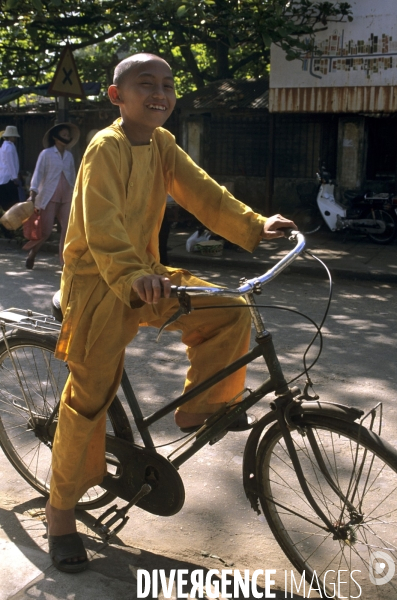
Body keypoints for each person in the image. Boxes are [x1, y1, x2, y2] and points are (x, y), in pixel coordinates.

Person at [46, 53, 296, 573]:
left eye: (167, 84)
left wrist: (255, 224)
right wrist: (131, 273)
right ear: (117, 96)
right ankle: (60, 514)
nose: (159, 92)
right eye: (145, 84)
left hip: (149, 278)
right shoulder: (103, 149)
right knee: (88, 401)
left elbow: (202, 191)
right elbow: (102, 227)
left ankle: (196, 408)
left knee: (230, 309)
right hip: (100, 287)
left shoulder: (163, 144)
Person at [25, 123, 79, 269]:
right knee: (46, 231)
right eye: (64, 135)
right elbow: (38, 174)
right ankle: (32, 254)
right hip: (49, 196)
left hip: (67, 195)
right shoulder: (46, 154)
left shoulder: (69, 156)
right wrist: (33, 193)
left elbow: (73, 177)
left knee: (68, 230)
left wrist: (76, 194)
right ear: (55, 137)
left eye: (68, 135)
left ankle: (64, 262)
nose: (67, 137)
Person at [0, 126, 21, 238]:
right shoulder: (9, 147)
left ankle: (7, 230)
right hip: (9, 179)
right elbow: (11, 164)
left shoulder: (3, 147)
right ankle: (10, 230)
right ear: (11, 136)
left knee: (6, 206)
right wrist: (15, 177)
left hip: (3, 180)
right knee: (13, 206)